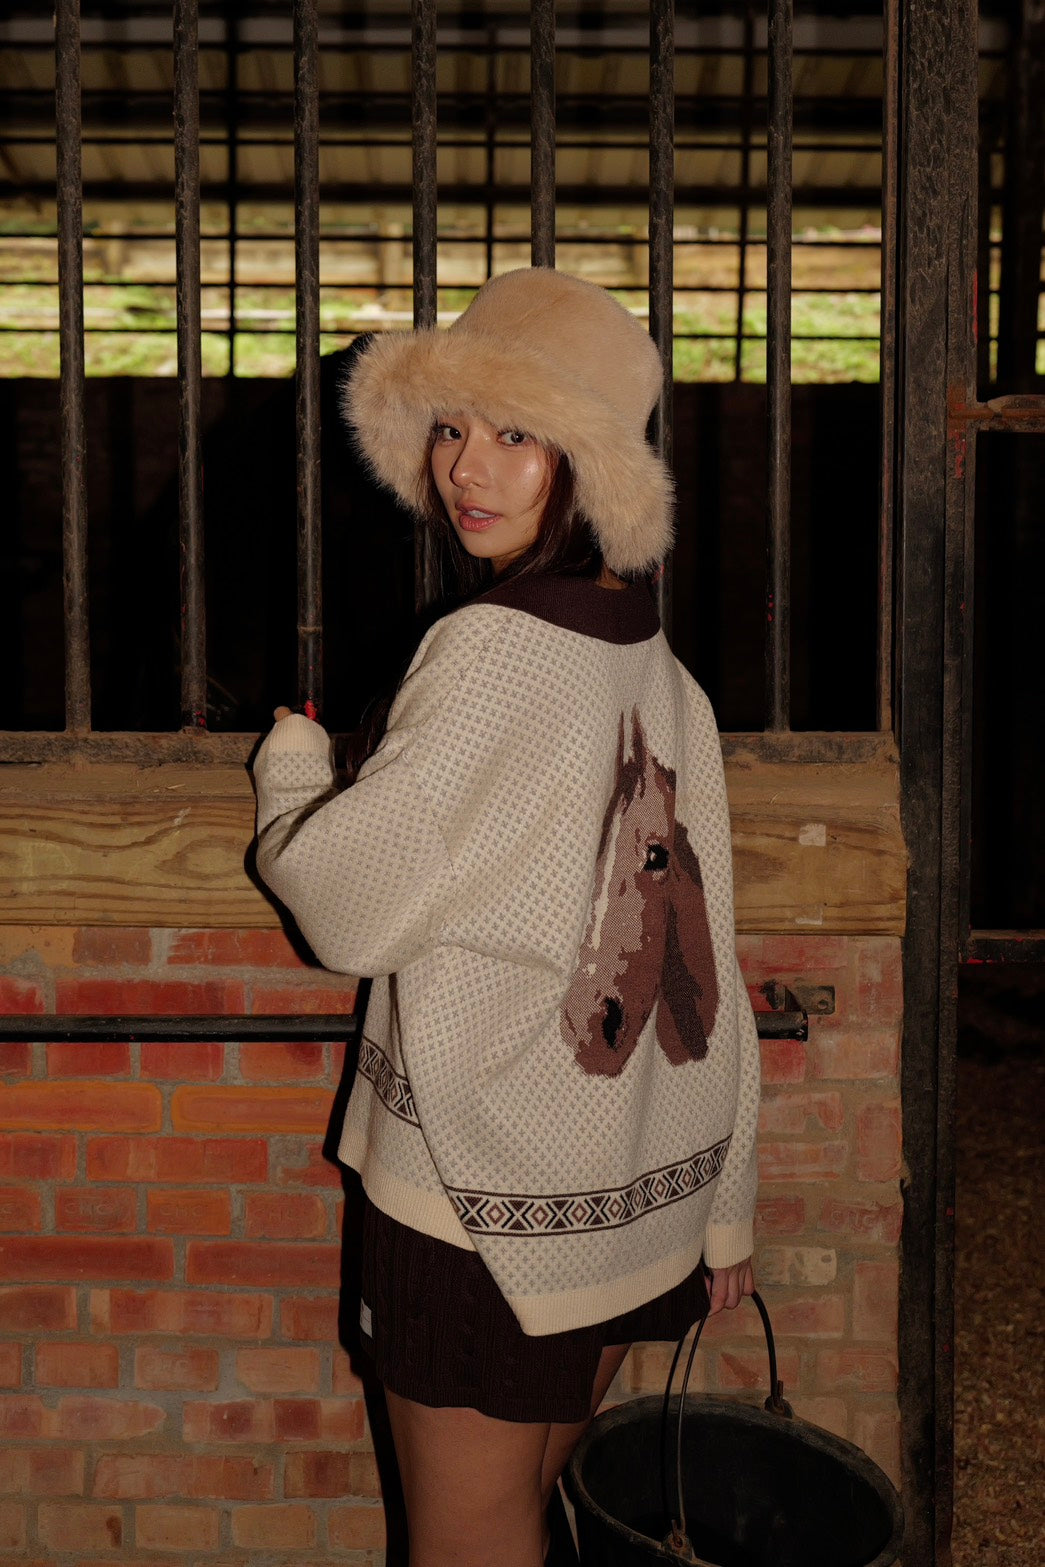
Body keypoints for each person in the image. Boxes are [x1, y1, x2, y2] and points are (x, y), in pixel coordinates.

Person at [252, 268, 760, 1567]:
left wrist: (292, 777)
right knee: (523, 1514)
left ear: (590, 462)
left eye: (516, 434)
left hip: (486, 1205)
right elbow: (708, 962)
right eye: (450, 426)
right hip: (630, 1198)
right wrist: (726, 1211)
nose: (466, 468)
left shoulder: (488, 651)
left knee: (470, 1545)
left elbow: (345, 909)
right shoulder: (660, 668)